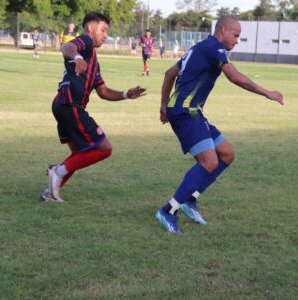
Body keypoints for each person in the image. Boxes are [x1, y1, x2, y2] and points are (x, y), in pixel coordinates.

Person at [156, 16, 284, 233]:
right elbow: (235, 77)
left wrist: (163, 104)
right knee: (208, 162)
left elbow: (170, 74)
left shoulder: (201, 47)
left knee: (226, 154)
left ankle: (190, 200)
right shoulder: (214, 47)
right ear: (223, 30)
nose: (237, 41)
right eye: (235, 35)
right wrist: (267, 93)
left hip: (193, 112)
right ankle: (168, 210)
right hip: (184, 113)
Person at [41, 12, 146, 203]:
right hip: (70, 104)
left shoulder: (93, 60)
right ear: (90, 28)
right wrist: (78, 58)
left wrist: (125, 94)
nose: (106, 35)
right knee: (104, 149)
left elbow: (103, 91)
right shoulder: (85, 43)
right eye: (103, 30)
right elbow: (67, 46)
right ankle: (56, 172)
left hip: (62, 104)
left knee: (79, 154)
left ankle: (50, 192)